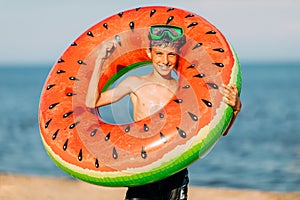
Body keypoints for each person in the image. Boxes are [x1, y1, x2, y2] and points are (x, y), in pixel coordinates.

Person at [86, 25, 242, 200]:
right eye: (159, 53)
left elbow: (220, 131)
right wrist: (100, 61)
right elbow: (92, 102)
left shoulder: (185, 90)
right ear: (150, 53)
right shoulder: (134, 83)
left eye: (171, 54)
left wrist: (235, 109)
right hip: (143, 169)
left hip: (174, 170)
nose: (165, 60)